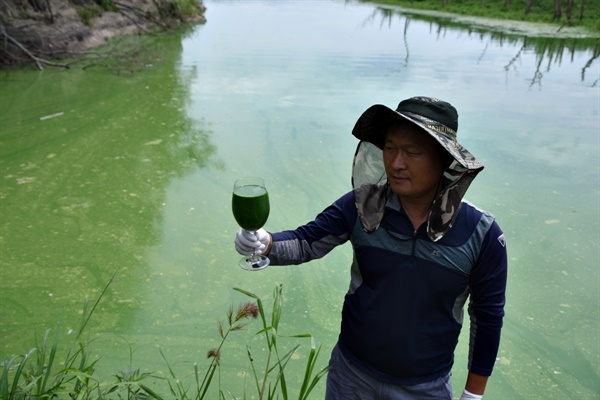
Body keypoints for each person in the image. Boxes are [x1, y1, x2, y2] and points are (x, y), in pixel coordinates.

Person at [235, 96, 508, 400]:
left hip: (424, 388)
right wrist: (265, 242)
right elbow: (305, 243)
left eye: (412, 152)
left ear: (445, 160)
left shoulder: (481, 234)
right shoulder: (363, 206)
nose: (396, 163)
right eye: (390, 148)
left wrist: (473, 394)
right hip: (350, 377)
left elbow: (487, 317)